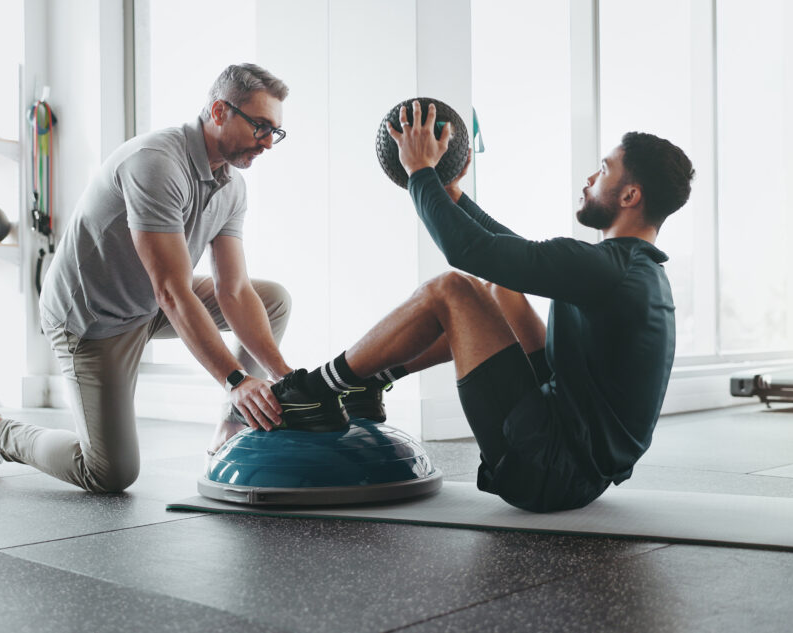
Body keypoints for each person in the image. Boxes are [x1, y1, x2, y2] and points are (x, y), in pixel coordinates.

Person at [273, 101, 694, 512]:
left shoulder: (610, 268)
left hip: (549, 471)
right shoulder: (631, 267)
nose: (589, 178)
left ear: (630, 195)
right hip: (579, 464)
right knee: (501, 290)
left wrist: (420, 172)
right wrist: (453, 195)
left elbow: (468, 251)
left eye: (603, 170)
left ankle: (315, 391)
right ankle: (370, 380)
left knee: (450, 289)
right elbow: (512, 255)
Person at [0, 63, 310, 493]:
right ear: (219, 111)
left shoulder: (231, 185)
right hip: (92, 319)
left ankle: (234, 428)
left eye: (276, 131)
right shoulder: (157, 164)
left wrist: (284, 376)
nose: (269, 143)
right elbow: (172, 290)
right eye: (261, 127)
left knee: (272, 298)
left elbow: (233, 290)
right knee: (109, 473)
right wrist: (236, 380)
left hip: (149, 302)